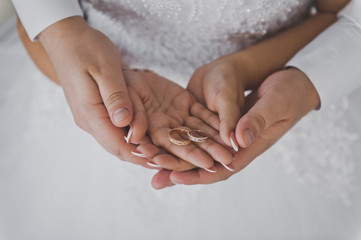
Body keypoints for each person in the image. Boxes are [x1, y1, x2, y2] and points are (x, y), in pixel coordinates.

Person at [0, 0, 360, 239]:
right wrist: (60, 32)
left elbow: (334, 13)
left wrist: (247, 69)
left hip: (262, 99)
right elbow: (35, 19)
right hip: (93, 103)